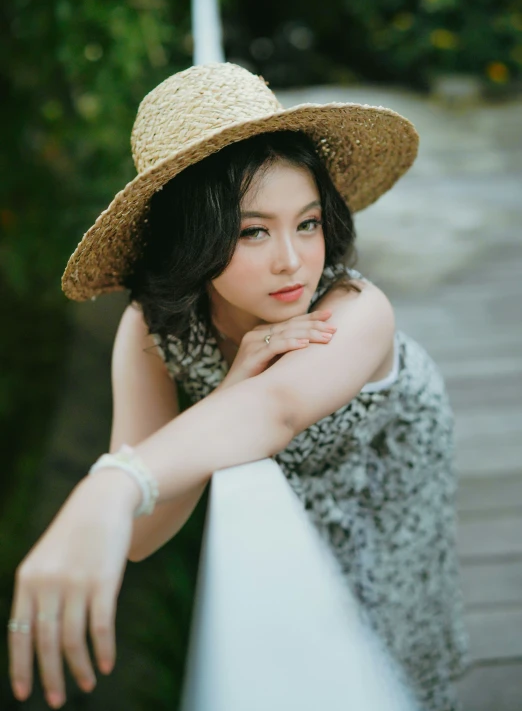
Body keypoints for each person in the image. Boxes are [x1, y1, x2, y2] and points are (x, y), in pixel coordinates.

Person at [8, 62, 468, 711]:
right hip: (276, 543)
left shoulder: (358, 309)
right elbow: (145, 536)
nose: (291, 258)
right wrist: (226, 391)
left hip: (384, 525)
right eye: (253, 230)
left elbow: (276, 408)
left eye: (307, 223)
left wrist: (108, 485)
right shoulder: (151, 328)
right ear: (193, 236)